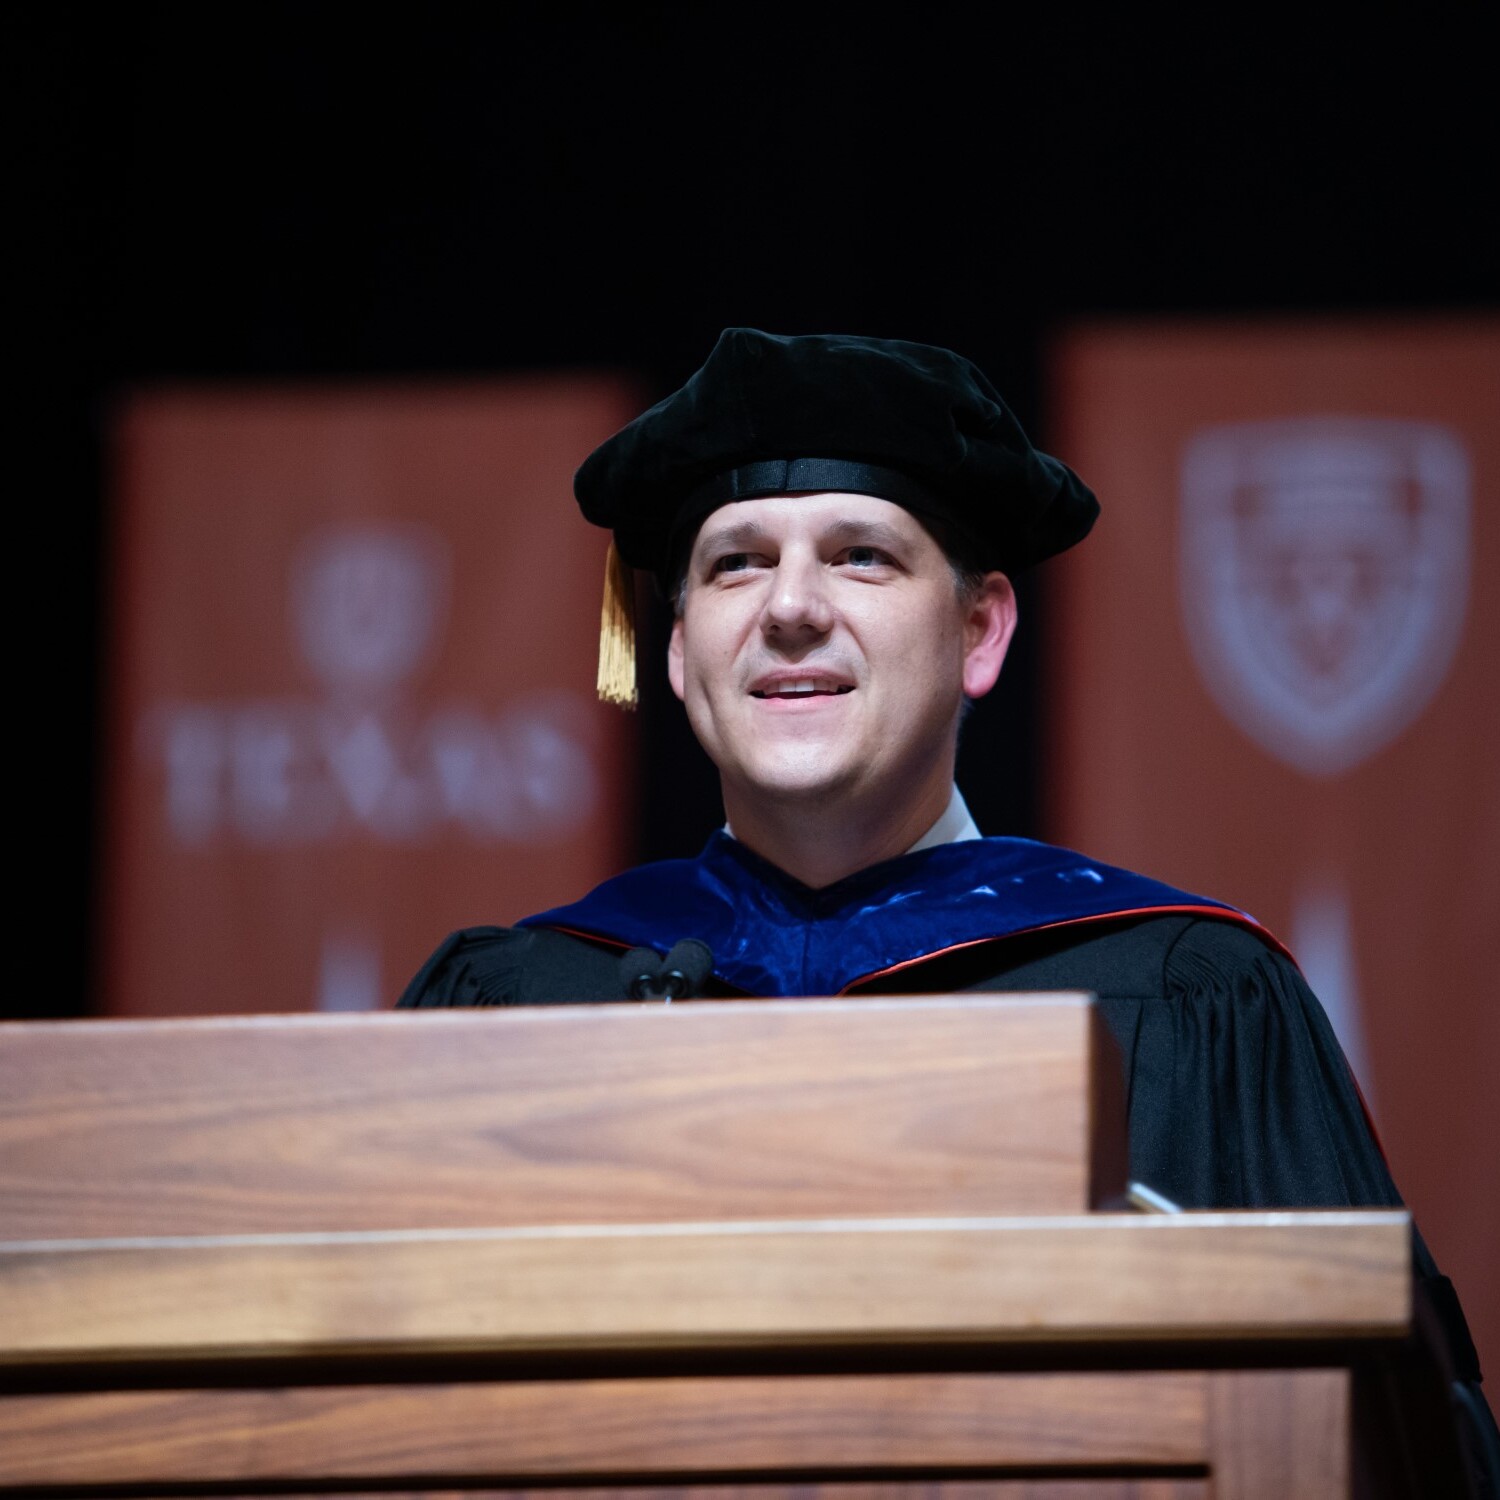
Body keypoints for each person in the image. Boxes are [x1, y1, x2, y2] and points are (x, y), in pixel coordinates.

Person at [399, 328, 1495, 1494]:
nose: (790, 608)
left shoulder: (1183, 1002)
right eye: (732, 563)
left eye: (861, 555)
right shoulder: (520, 1003)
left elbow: (1416, 1448)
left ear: (980, 632)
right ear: (676, 650)